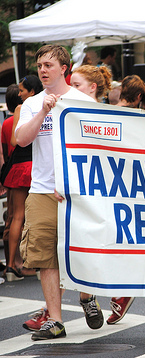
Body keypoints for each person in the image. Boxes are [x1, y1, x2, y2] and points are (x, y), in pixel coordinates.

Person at [15, 45, 105, 341]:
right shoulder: (32, 103)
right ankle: (55, 320)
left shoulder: (83, 101)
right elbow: (21, 140)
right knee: (45, 257)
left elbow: (97, 148)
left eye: (48, 65)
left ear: (64, 68)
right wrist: (43, 110)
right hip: (42, 190)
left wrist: (76, 184)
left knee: (82, 250)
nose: (42, 70)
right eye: (39, 65)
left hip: (77, 192)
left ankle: (87, 296)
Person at [71, 65, 137, 325]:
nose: (70, 90)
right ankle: (80, 301)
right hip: (75, 189)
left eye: (75, 85)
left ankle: (105, 294)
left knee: (102, 242)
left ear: (92, 88)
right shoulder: (65, 113)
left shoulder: (109, 114)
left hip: (107, 188)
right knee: (71, 246)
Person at [2, 76, 43, 282]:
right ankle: (35, 265)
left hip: (20, 166)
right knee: (35, 217)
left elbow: (13, 141)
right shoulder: (45, 106)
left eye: (22, 90)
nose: (19, 94)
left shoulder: (22, 109)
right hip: (36, 166)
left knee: (17, 216)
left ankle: (10, 266)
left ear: (32, 91)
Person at [1, 84, 23, 278]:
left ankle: (10, 262)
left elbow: (5, 151)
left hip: (10, 171)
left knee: (11, 217)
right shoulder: (25, 115)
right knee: (23, 218)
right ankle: (21, 262)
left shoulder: (6, 124)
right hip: (26, 168)